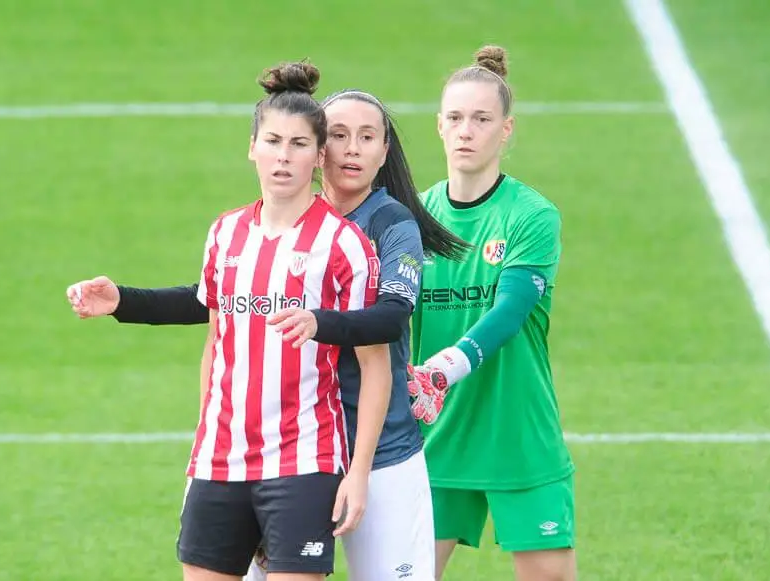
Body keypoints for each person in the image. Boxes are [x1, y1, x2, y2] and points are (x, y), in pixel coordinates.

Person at [67, 88, 470, 581]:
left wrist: (317, 321)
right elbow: (224, 301)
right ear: (319, 148)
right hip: (279, 445)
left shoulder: (385, 225)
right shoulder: (256, 225)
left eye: (367, 137)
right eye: (339, 135)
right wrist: (125, 302)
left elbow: (390, 317)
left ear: (385, 151)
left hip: (373, 447)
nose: (351, 150)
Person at [407, 46, 578, 581]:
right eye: (455, 118)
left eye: (482, 119)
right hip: (436, 434)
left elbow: (511, 310)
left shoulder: (531, 215)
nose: (466, 131)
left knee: (549, 575)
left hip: (517, 431)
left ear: (506, 129)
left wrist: (444, 368)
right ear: (439, 126)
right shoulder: (412, 217)